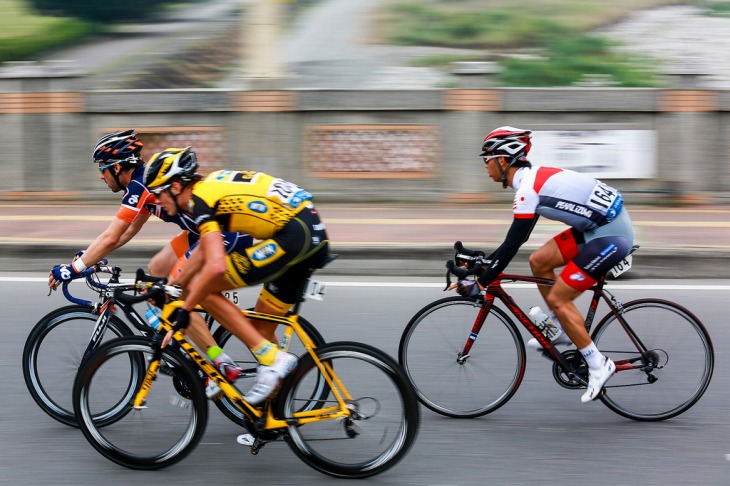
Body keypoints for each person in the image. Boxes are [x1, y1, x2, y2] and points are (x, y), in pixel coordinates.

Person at [47, 129, 248, 383]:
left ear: (118, 167)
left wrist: (72, 269)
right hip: (200, 232)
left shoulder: (141, 185)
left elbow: (112, 236)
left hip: (220, 234)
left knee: (173, 292)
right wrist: (87, 258)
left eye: (103, 168)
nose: (101, 176)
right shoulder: (142, 182)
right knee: (156, 268)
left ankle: (220, 362)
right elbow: (126, 231)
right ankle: (176, 343)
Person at [451, 126, 634, 403]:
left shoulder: (527, 190)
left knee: (561, 298)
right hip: (597, 226)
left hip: (611, 234)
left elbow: (512, 244)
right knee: (539, 261)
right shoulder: (531, 182)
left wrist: (481, 281)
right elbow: (516, 241)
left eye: (486, 159)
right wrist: (482, 266)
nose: (485, 167)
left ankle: (598, 365)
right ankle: (558, 330)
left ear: (502, 160)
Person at [142, 146, 330, 405]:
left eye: (157, 192)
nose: (156, 200)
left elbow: (215, 266)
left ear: (174, 187)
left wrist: (185, 306)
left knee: (203, 286)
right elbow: (203, 252)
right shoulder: (210, 188)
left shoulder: (200, 200)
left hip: (294, 237)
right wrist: (174, 286)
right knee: (262, 329)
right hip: (309, 233)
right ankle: (275, 413)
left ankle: (273, 359)